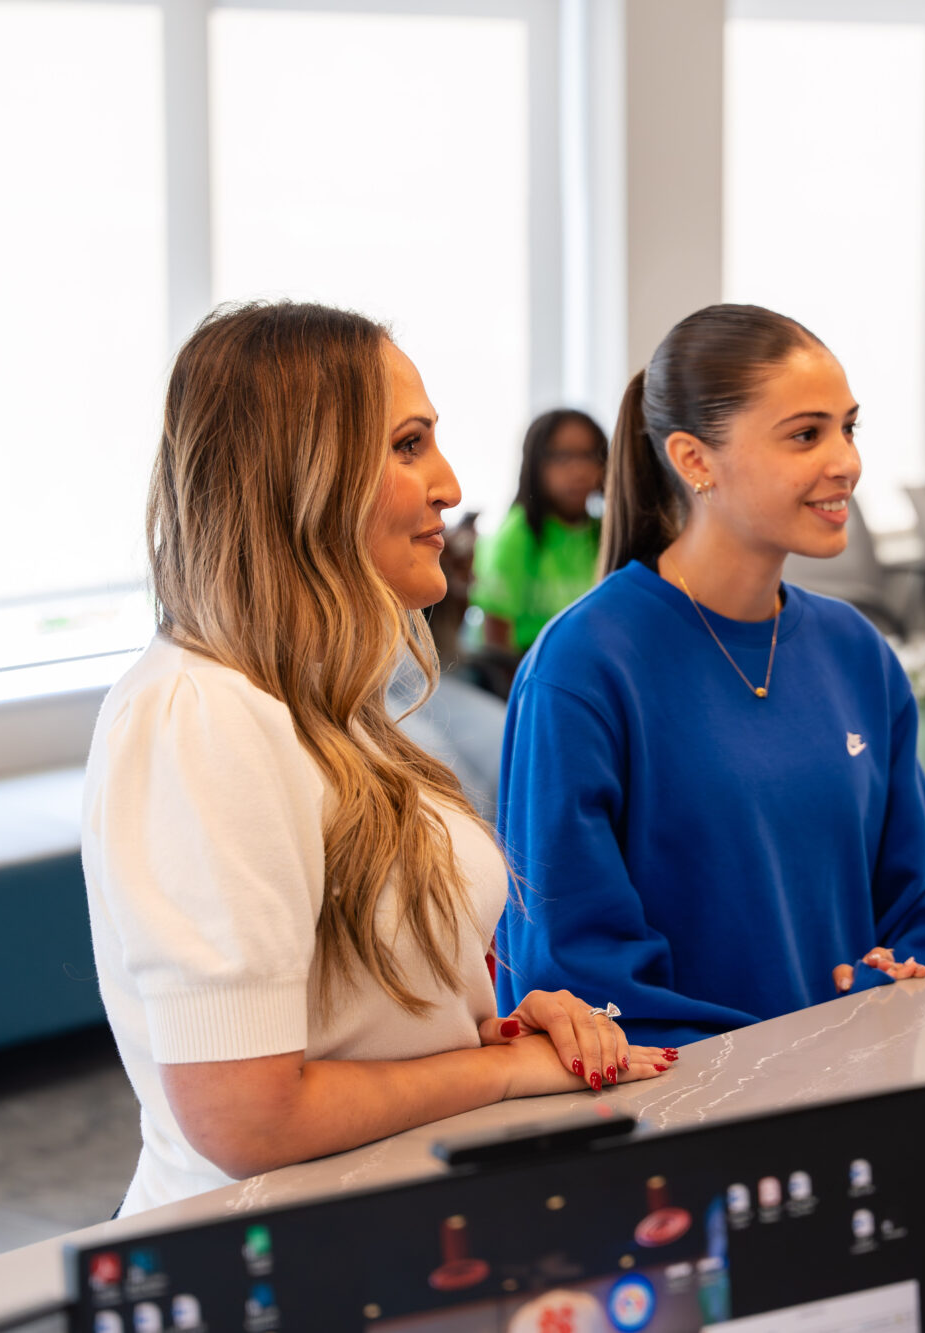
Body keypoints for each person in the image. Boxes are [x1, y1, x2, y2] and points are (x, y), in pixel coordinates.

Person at [81, 302, 674, 1215]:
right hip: (269, 1246)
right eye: (407, 445)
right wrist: (499, 1072)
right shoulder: (202, 715)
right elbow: (247, 1118)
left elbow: (359, 1019)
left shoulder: (324, 703)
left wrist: (500, 1026)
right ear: (300, 476)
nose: (448, 484)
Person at [496, 304, 925, 1051]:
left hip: (861, 1082)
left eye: (849, 428)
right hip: (685, 1098)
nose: (845, 461)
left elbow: (921, 903)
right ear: (694, 460)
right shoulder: (582, 666)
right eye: (806, 434)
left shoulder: (854, 648)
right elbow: (574, 967)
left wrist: (894, 981)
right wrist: (778, 1061)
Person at [470, 409, 610, 654]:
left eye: (589, 455)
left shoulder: (604, 533)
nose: (579, 470)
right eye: (562, 457)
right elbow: (495, 639)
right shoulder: (516, 535)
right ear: (536, 463)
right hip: (525, 666)